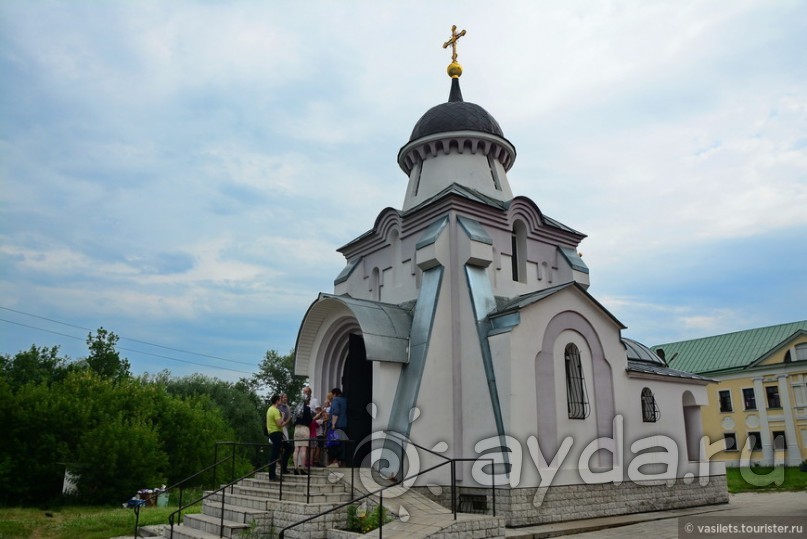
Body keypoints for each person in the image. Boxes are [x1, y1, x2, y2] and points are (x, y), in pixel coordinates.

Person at [266, 394, 288, 481]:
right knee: (274, 454)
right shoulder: (275, 411)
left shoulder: (270, 409)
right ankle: (272, 475)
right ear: (277, 401)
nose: (281, 401)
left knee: (289, 448)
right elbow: (279, 424)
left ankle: (283, 467)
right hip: (275, 433)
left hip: (274, 433)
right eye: (280, 399)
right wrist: (283, 417)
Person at [292, 392, 313, 474]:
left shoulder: (296, 409)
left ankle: (295, 467)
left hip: (296, 429)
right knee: (303, 449)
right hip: (304, 429)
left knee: (296, 449)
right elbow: (310, 420)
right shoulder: (307, 409)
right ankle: (302, 468)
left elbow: (293, 420)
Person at [328, 387, 348, 467]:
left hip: (337, 425)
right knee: (342, 444)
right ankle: (341, 461)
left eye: (332, 395)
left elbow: (335, 412)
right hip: (344, 424)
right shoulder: (345, 400)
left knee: (334, 444)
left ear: (335, 394)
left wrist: (333, 424)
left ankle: (335, 461)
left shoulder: (336, 400)